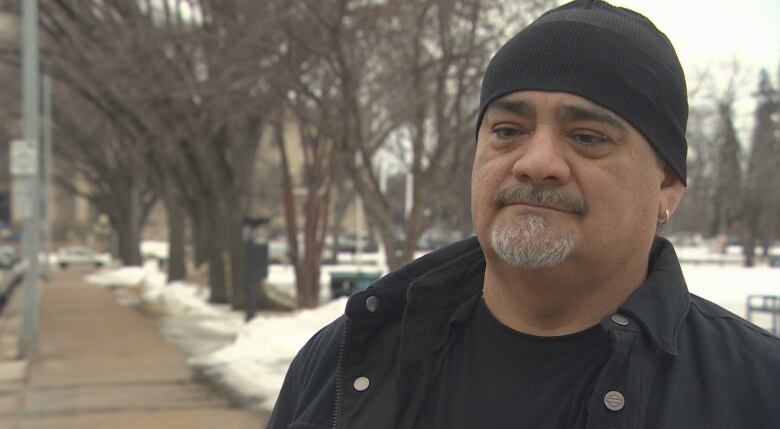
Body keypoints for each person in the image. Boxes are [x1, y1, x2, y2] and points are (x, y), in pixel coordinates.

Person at [268, 1, 780, 428]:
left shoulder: (757, 391)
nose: (536, 162)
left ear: (667, 183)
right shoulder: (342, 363)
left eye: (587, 137)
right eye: (508, 130)